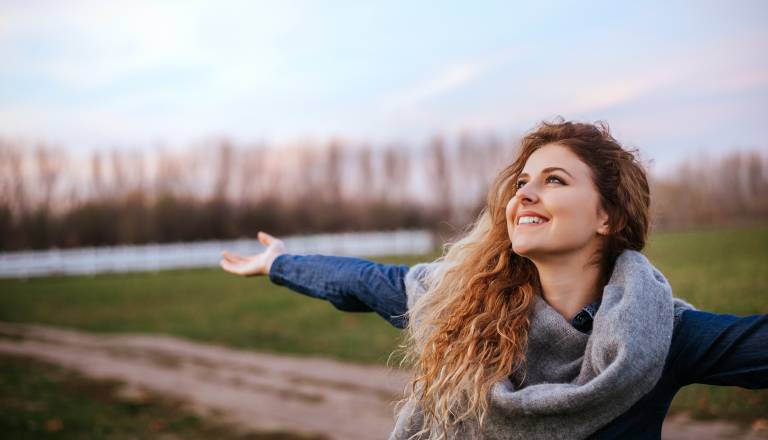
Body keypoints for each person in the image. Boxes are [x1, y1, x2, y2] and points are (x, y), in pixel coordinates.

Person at [220, 119, 767, 439]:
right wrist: (280, 263)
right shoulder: (462, 303)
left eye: (553, 180)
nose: (523, 194)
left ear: (608, 217)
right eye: (522, 181)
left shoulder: (657, 334)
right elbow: (368, 280)